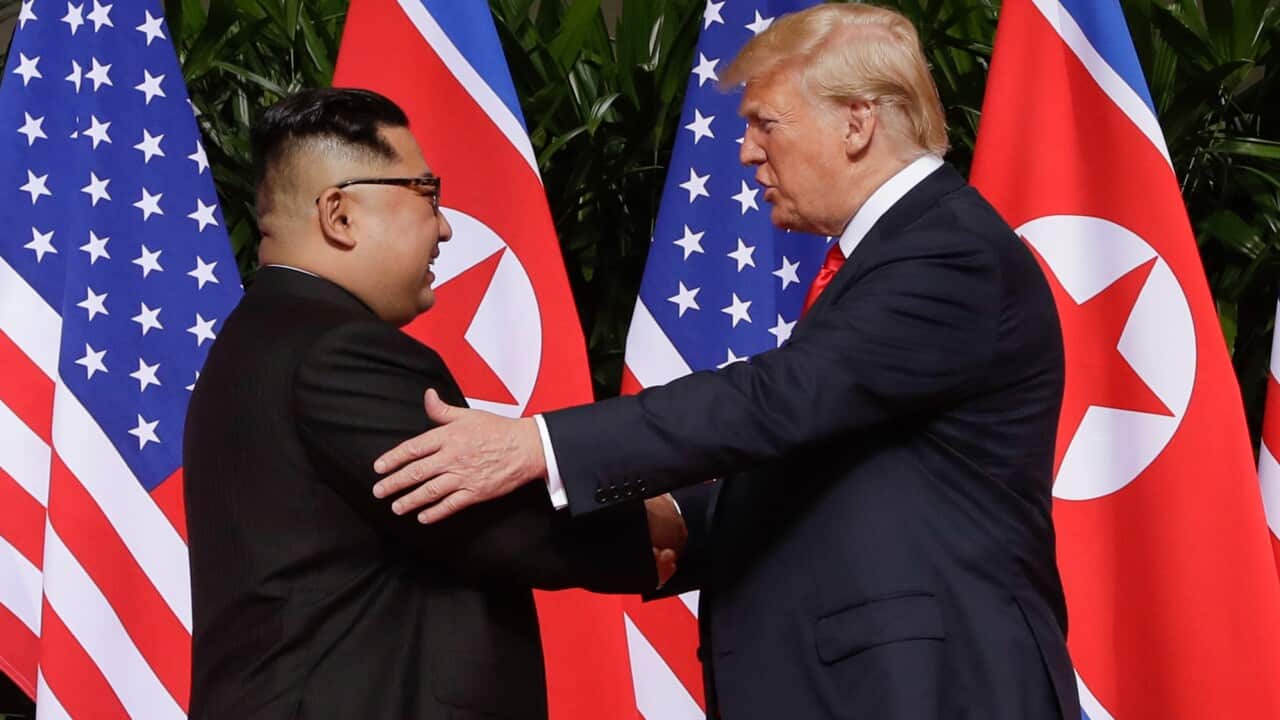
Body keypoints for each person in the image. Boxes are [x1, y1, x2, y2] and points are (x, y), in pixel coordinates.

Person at [370, 5, 1081, 720]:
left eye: (766, 123)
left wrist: (536, 444)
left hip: (935, 689)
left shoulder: (947, 252)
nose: (745, 151)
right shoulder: (900, 251)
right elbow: (840, 462)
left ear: (858, 122)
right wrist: (678, 516)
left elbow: (778, 399)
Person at [183, 88, 684, 720]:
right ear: (339, 215)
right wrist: (666, 527)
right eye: (426, 194)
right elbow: (484, 516)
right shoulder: (336, 349)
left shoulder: (261, 338)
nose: (445, 226)